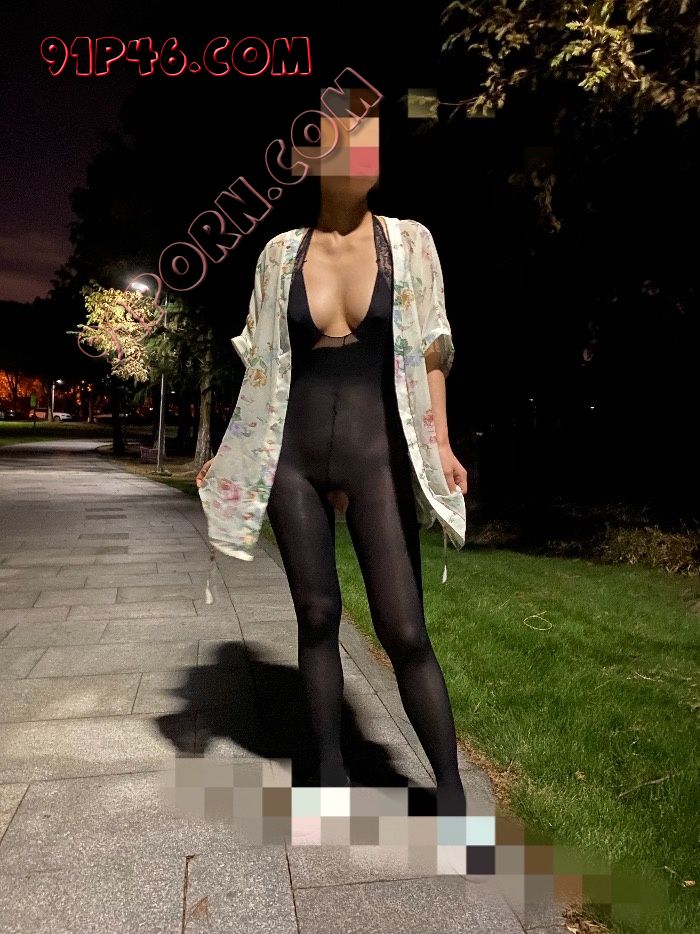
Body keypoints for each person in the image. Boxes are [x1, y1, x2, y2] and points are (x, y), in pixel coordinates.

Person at [197, 111, 468, 814]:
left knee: (404, 628)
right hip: (292, 460)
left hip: (375, 458)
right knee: (316, 615)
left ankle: (450, 795)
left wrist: (440, 442)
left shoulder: (410, 243)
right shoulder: (279, 254)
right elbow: (260, 368)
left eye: (368, 136)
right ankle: (327, 776)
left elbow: (432, 347)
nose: (361, 149)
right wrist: (230, 451)